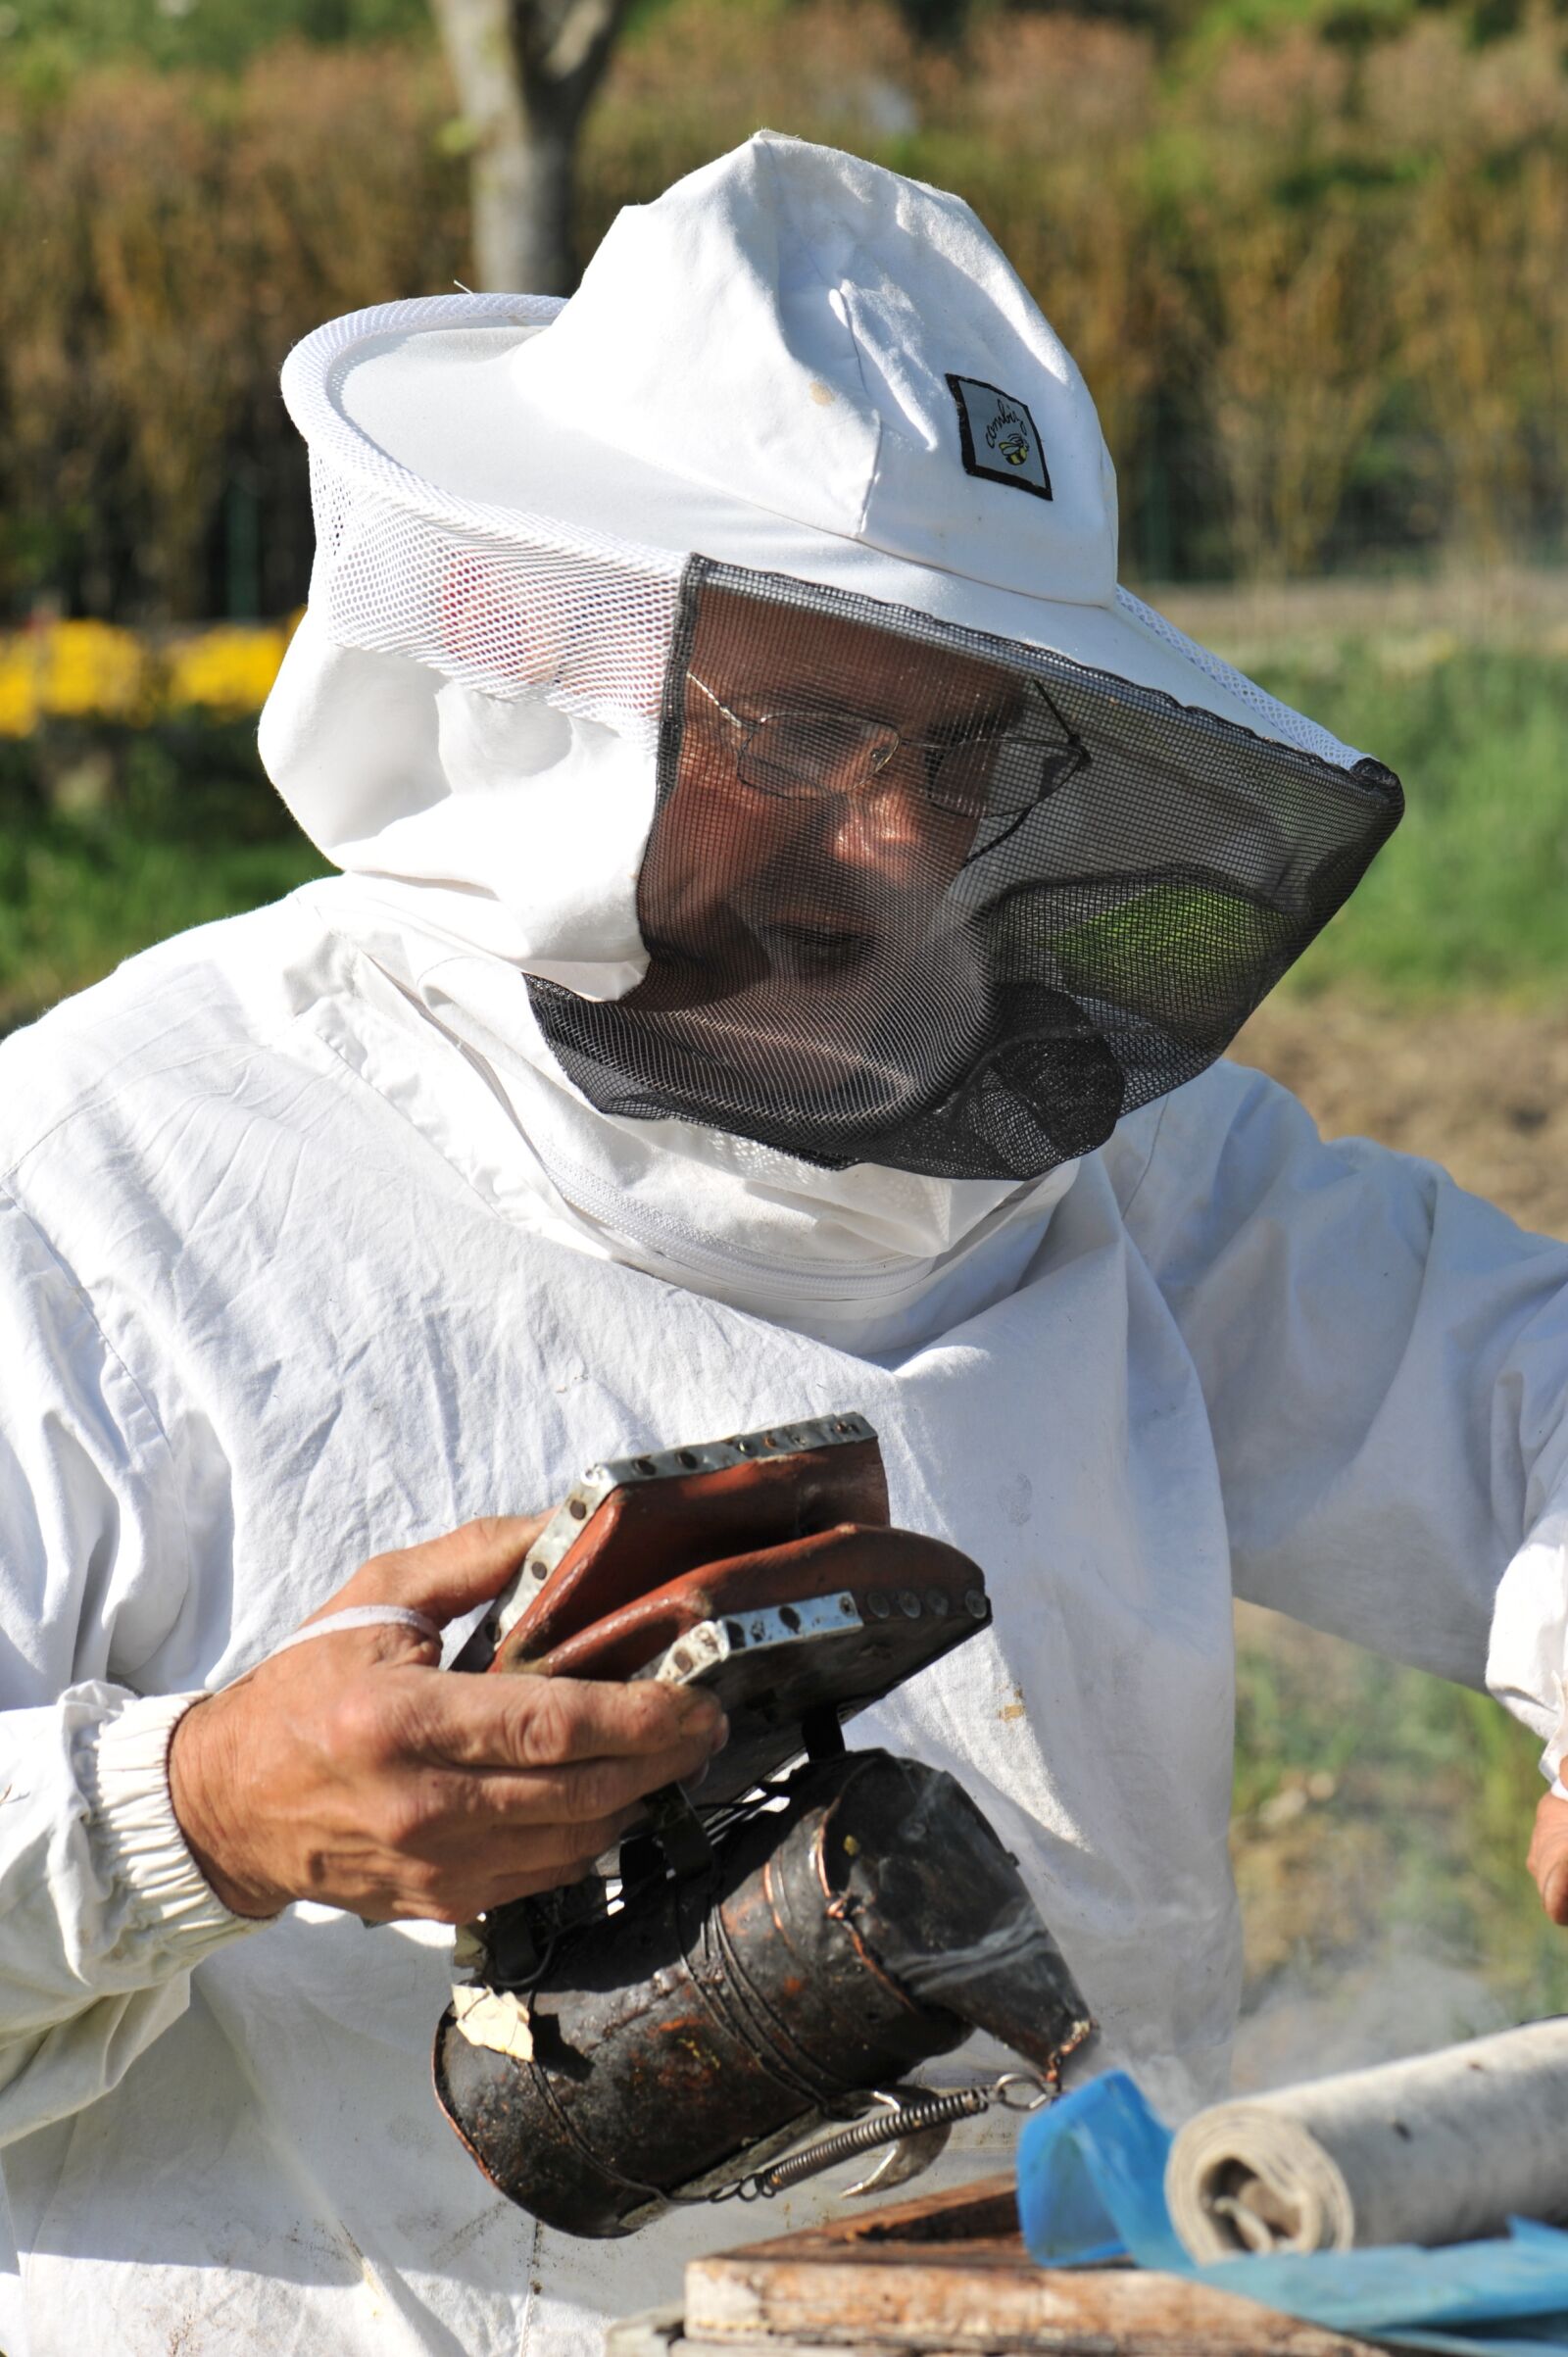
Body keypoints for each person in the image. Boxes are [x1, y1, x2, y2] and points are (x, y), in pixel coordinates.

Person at [1, 128, 1566, 2357]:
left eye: (971, 751)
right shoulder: (103, 1184)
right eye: (813, 727)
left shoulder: (1081, 1141)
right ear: (552, 665)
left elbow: (1521, 1386)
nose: (907, 838)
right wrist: (205, 1811)